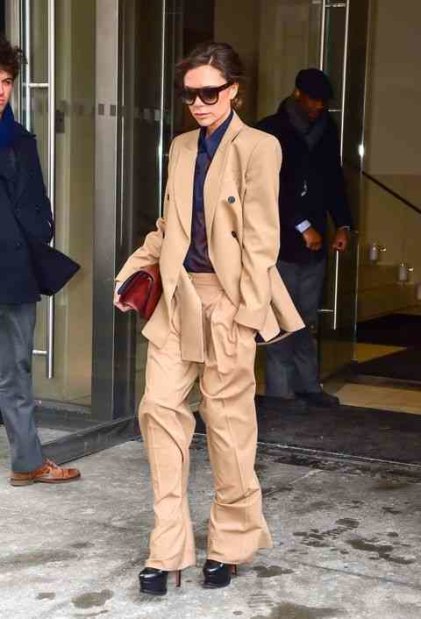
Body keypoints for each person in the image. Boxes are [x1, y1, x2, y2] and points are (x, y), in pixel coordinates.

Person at [114, 42, 303, 595]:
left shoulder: (260, 147)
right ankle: (167, 547)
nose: (198, 103)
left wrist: (246, 314)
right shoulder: (180, 147)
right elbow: (168, 225)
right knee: (159, 411)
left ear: (234, 90)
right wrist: (134, 272)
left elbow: (262, 240)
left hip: (229, 300)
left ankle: (231, 542)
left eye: (209, 93)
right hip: (178, 299)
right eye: (190, 94)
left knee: (227, 425)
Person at [0, 36, 80, 486]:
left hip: (14, 274)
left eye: (6, 81)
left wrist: (41, 230)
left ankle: (27, 462)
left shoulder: (21, 139)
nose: (0, 90)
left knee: (16, 371)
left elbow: (36, 198)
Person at [257, 68, 353, 408]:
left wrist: (343, 224)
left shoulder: (327, 130)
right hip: (279, 243)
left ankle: (309, 387)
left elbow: (333, 180)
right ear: (297, 94)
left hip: (315, 246)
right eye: (313, 100)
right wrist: (301, 226)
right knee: (280, 320)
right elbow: (269, 190)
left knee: (305, 319)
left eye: (323, 102)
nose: (318, 107)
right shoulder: (270, 130)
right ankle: (280, 394)